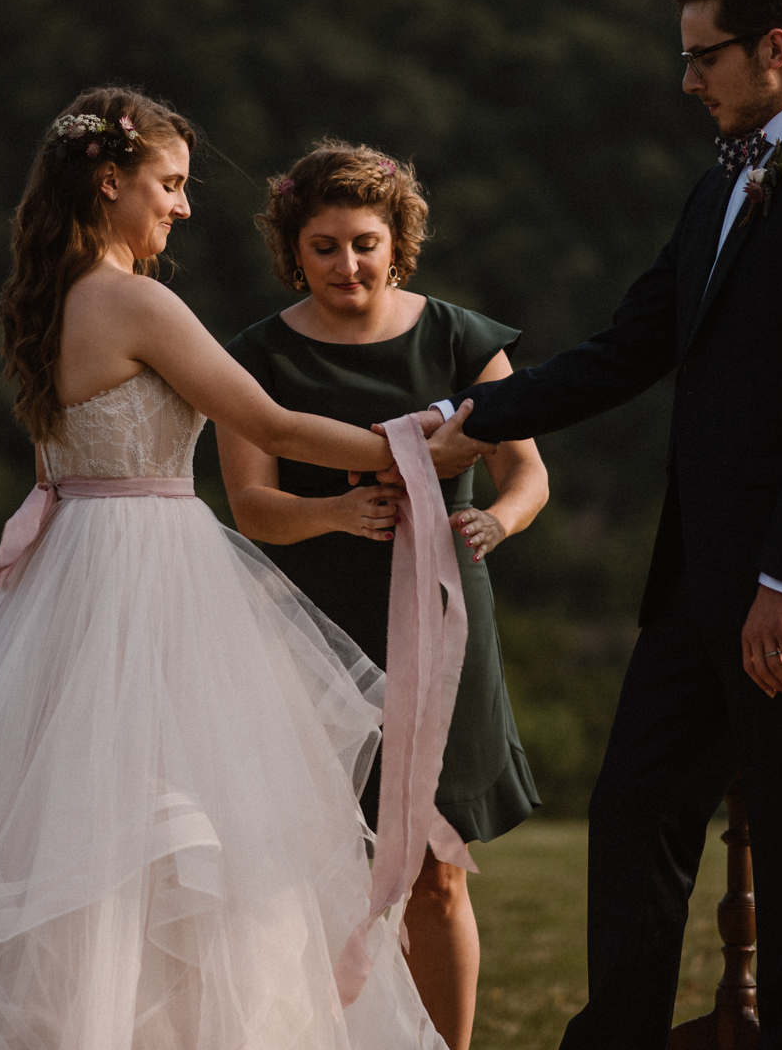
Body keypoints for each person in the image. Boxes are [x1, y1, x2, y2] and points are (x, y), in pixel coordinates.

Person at [0, 88, 484, 1050]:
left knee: (78, 821)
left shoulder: (49, 298)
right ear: (110, 180)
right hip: (145, 571)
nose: (184, 206)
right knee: (177, 827)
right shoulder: (134, 300)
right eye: (170, 184)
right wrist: (418, 445)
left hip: (71, 565)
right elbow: (272, 424)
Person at [424, 0, 782, 1050]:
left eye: (704, 57)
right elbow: (628, 344)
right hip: (693, 579)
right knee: (633, 809)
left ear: (774, 47)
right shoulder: (722, 180)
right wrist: (474, 415)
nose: (687, 79)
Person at [220, 142, 546, 1050]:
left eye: (363, 243)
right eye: (323, 246)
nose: (345, 265)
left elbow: (527, 473)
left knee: (442, 867)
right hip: (315, 627)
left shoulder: (460, 338)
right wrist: (332, 511)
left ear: (397, 243)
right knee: (317, 866)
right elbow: (251, 506)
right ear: (295, 252)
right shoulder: (256, 355)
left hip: (445, 621)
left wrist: (501, 523)